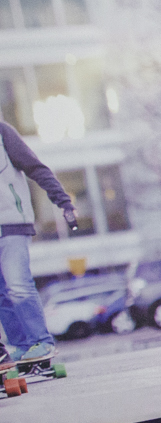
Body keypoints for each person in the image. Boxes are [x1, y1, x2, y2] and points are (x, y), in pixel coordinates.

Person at [0, 118, 77, 367]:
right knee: (2, 294)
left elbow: (36, 168)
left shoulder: (3, 132)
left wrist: (63, 201)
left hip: (11, 222)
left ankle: (42, 341)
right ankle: (23, 347)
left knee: (17, 285)